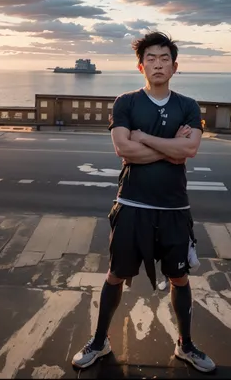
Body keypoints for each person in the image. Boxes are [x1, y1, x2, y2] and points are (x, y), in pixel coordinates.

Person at [72, 31, 216, 373]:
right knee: (115, 275)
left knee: (180, 278)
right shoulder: (126, 102)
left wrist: (145, 138)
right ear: (141, 66)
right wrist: (170, 149)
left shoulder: (188, 106)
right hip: (132, 204)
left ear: (175, 66)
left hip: (174, 208)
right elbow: (124, 149)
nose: (157, 64)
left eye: (164, 58)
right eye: (150, 58)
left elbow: (190, 150)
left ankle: (186, 344)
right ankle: (99, 340)